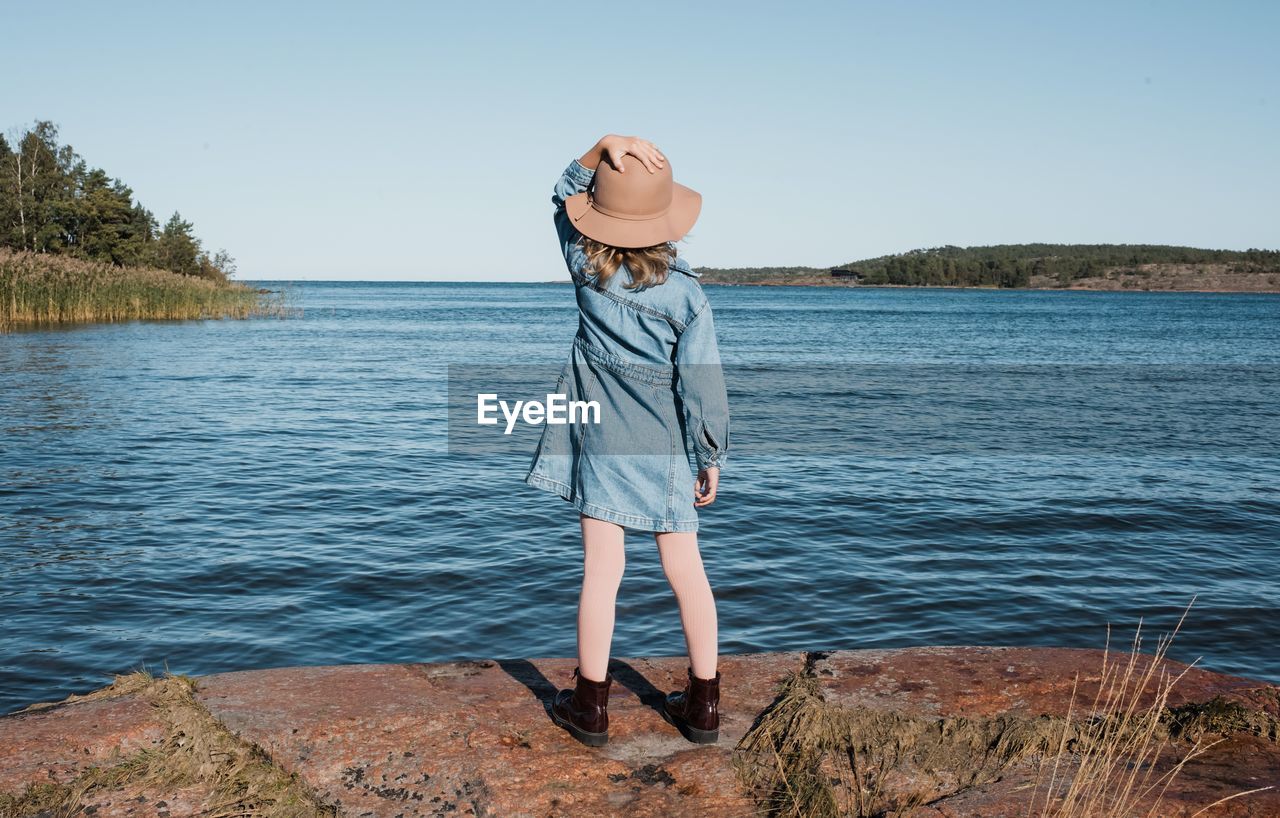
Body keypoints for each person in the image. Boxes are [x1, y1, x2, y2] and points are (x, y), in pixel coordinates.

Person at [525, 134, 730, 747]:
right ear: (667, 218)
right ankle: (703, 708)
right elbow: (703, 387)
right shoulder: (688, 295)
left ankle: (589, 711)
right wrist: (710, 455)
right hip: (664, 446)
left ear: (603, 212)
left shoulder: (587, 271)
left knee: (601, 573)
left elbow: (561, 193)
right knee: (687, 572)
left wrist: (602, 146)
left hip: (601, 439)